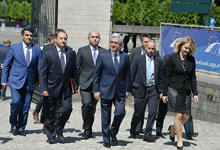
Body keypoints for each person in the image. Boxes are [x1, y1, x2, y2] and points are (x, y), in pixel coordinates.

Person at [39, 29, 78, 144]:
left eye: (65, 38)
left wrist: (75, 85)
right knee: (50, 113)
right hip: (51, 88)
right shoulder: (48, 53)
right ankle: (51, 135)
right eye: (61, 38)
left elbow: (74, 72)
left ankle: (59, 129)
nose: (63, 40)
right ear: (55, 39)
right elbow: (43, 72)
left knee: (67, 109)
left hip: (66, 88)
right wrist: (44, 89)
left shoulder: (71, 53)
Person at [1, 28, 42, 136]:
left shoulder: (37, 50)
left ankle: (21, 127)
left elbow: (39, 68)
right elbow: (6, 64)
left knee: (26, 106)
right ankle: (13, 123)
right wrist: (4, 80)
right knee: (16, 102)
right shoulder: (14, 48)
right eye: (27, 35)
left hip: (30, 82)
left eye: (31, 36)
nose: (29, 37)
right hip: (16, 81)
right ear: (22, 36)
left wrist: (38, 81)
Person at [93, 33, 131, 148]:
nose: (113, 44)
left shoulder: (125, 57)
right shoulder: (102, 56)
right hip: (105, 90)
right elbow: (97, 75)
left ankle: (113, 131)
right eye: (111, 42)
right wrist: (96, 90)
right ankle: (106, 139)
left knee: (121, 112)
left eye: (116, 43)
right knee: (106, 117)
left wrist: (127, 90)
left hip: (120, 91)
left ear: (121, 45)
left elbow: (127, 75)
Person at [156, 41, 199, 140]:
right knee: (178, 115)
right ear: (180, 47)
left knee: (186, 116)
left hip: (186, 90)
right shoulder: (171, 58)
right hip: (173, 89)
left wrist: (195, 93)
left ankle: (173, 129)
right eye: (186, 48)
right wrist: (164, 92)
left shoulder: (192, 60)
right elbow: (166, 76)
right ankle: (180, 140)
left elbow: (193, 77)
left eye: (189, 49)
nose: (187, 50)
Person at [130, 41, 163, 142]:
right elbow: (131, 75)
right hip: (140, 89)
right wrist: (128, 90)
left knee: (152, 112)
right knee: (138, 113)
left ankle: (147, 135)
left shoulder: (158, 61)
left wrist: (161, 90)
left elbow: (161, 77)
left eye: (153, 49)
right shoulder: (138, 59)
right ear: (145, 48)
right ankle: (133, 128)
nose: (151, 51)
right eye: (149, 48)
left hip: (153, 90)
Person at [76, 31, 106, 139]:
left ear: (99, 38)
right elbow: (77, 68)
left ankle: (89, 129)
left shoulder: (104, 52)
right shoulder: (82, 51)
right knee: (86, 104)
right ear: (88, 38)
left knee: (92, 107)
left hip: (97, 85)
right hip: (85, 83)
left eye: (97, 37)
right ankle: (86, 127)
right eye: (92, 37)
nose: (95, 39)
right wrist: (77, 83)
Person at [33, 33, 56, 124]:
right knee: (46, 98)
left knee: (47, 99)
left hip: (50, 78)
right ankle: (38, 112)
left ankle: (42, 117)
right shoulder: (43, 49)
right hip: (46, 77)